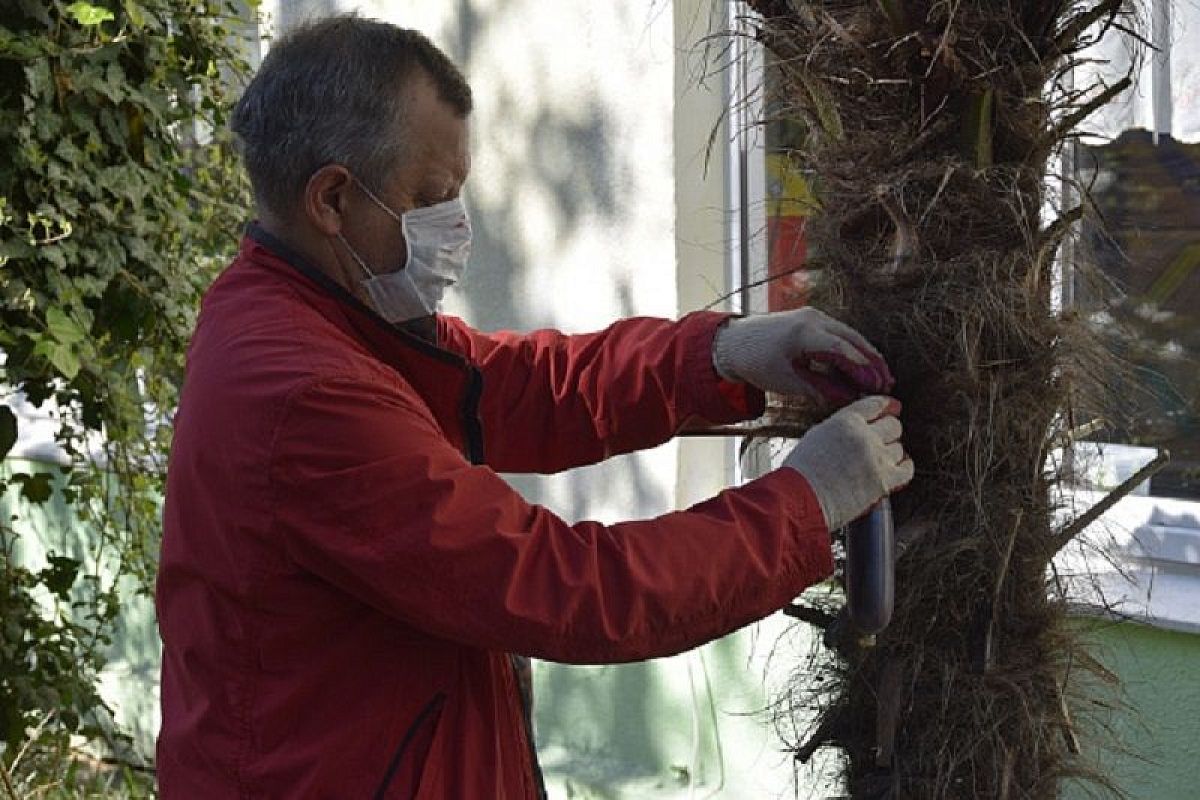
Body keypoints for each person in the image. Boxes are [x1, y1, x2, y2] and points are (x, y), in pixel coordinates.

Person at [154, 14, 912, 799]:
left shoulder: (315, 318)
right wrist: (803, 503)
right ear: (334, 199)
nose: (459, 231)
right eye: (432, 198)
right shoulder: (308, 393)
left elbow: (520, 386)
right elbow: (568, 588)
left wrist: (720, 355)